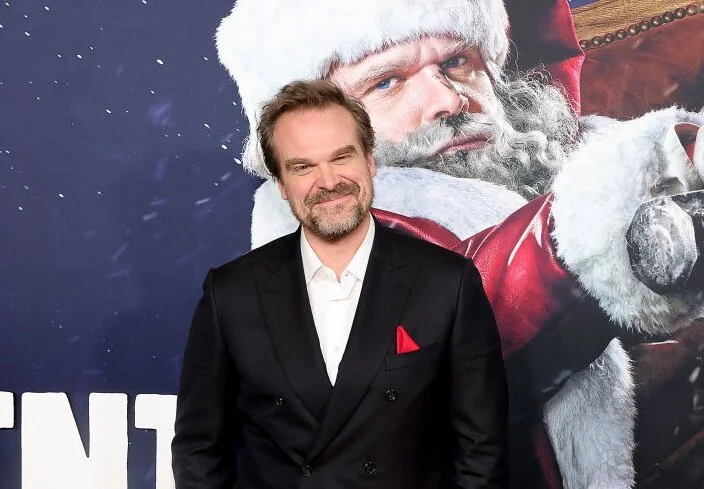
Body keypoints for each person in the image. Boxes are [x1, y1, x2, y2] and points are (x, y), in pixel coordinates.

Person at [214, 0, 704, 488]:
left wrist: (679, 164)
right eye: (386, 82)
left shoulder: (569, 160)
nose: (447, 101)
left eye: (456, 62)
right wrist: (637, 184)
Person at [171, 79, 509, 489]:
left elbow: (481, 451)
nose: (328, 181)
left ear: (370, 160)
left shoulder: (446, 283)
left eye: (341, 157)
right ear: (281, 184)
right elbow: (199, 450)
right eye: (303, 167)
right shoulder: (232, 294)